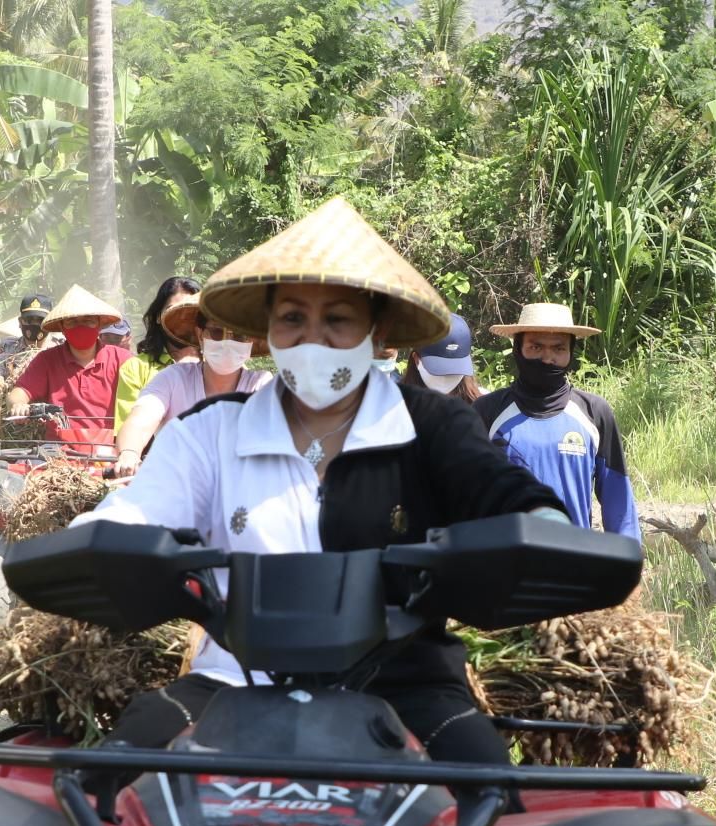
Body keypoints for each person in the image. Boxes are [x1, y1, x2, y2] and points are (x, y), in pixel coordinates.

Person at [72, 197, 569, 761]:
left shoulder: (430, 423)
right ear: (266, 330)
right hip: (234, 678)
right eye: (291, 319)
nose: (313, 339)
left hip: (405, 684)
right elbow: (143, 508)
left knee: (489, 791)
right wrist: (98, 532)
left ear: (377, 330)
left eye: (337, 319)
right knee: (111, 777)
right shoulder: (208, 432)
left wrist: (546, 526)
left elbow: (494, 487)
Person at [474, 303, 640, 540]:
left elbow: (619, 502)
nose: (547, 358)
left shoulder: (594, 413)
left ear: (571, 351)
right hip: (507, 565)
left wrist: (629, 560)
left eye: (559, 348)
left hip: (575, 564)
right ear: (518, 348)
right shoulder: (488, 412)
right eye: (536, 346)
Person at [113, 303, 271, 477]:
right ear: (200, 334)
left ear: (251, 341)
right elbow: (141, 420)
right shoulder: (173, 379)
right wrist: (129, 453)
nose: (228, 343)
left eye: (239, 336)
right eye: (218, 332)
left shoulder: (261, 385)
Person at [6, 285, 130, 439]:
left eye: (88, 321)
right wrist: (18, 404)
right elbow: (19, 393)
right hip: (58, 453)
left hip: (109, 454)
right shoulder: (47, 360)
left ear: (99, 324)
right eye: (72, 322)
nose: (80, 327)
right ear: (63, 328)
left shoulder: (123, 360)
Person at [113, 276, 202, 433]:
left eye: (189, 310)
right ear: (158, 317)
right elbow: (128, 431)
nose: (181, 318)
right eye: (172, 310)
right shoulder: (135, 368)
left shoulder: (221, 362)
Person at [402, 312, 483, 404]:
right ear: (417, 360)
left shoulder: (485, 406)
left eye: (455, 370)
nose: (445, 377)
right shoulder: (397, 408)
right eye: (438, 371)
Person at [0, 294, 53, 382]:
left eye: (40, 320)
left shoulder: (61, 350)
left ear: (49, 322)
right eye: (29, 320)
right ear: (20, 322)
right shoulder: (8, 347)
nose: (34, 324)